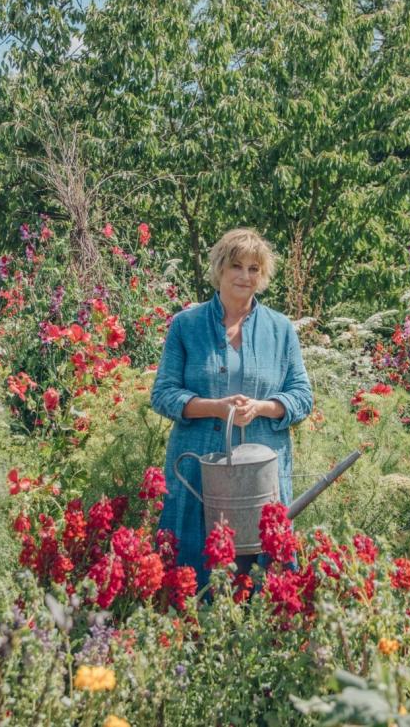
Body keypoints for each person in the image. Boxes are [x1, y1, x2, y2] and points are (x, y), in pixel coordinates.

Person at [150, 228, 313, 586]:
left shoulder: (281, 329)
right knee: (196, 570)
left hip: (261, 473)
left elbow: (302, 396)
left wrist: (263, 407)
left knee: (265, 571)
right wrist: (215, 408)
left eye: (254, 268)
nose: (245, 276)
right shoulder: (186, 326)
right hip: (198, 471)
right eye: (237, 266)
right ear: (220, 270)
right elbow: (162, 394)